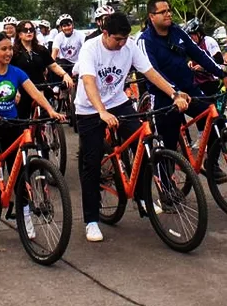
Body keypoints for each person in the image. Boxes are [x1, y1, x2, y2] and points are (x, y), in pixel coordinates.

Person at [76, 13, 188, 243]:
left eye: (125, 38)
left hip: (118, 102)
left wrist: (174, 93)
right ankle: (91, 220)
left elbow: (150, 73)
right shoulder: (90, 48)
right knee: (92, 161)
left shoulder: (129, 46)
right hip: (90, 108)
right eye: (117, 39)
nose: (122, 43)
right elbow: (88, 82)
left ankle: (142, 197)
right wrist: (101, 111)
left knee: (142, 145)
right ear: (105, 33)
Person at [0, 33, 66, 245]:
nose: (8, 53)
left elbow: (35, 93)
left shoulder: (17, 72)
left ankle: (25, 215)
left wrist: (51, 110)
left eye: (10, 49)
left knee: (20, 172)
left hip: (11, 125)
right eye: (3, 49)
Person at [139, 0, 227, 174]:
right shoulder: (145, 40)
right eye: (163, 12)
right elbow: (153, 72)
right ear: (151, 16)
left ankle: (212, 164)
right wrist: (174, 93)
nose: (168, 14)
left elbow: (200, 55)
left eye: (169, 10)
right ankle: (167, 185)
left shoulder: (177, 32)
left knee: (215, 120)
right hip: (165, 95)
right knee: (168, 143)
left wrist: (223, 76)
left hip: (189, 89)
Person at [11, 19, 74, 118]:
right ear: (19, 34)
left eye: (31, 30)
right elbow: (9, 73)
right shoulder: (13, 53)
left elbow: (53, 65)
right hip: (22, 91)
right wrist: (14, 90)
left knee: (47, 117)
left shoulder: (41, 50)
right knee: (23, 121)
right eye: (25, 30)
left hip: (40, 88)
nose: (29, 32)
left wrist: (65, 75)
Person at [184, 18, 224, 98]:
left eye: (192, 36)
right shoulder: (193, 45)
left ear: (199, 33)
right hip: (198, 80)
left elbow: (219, 59)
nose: (191, 39)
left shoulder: (208, 41)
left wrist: (203, 67)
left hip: (210, 80)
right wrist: (190, 62)